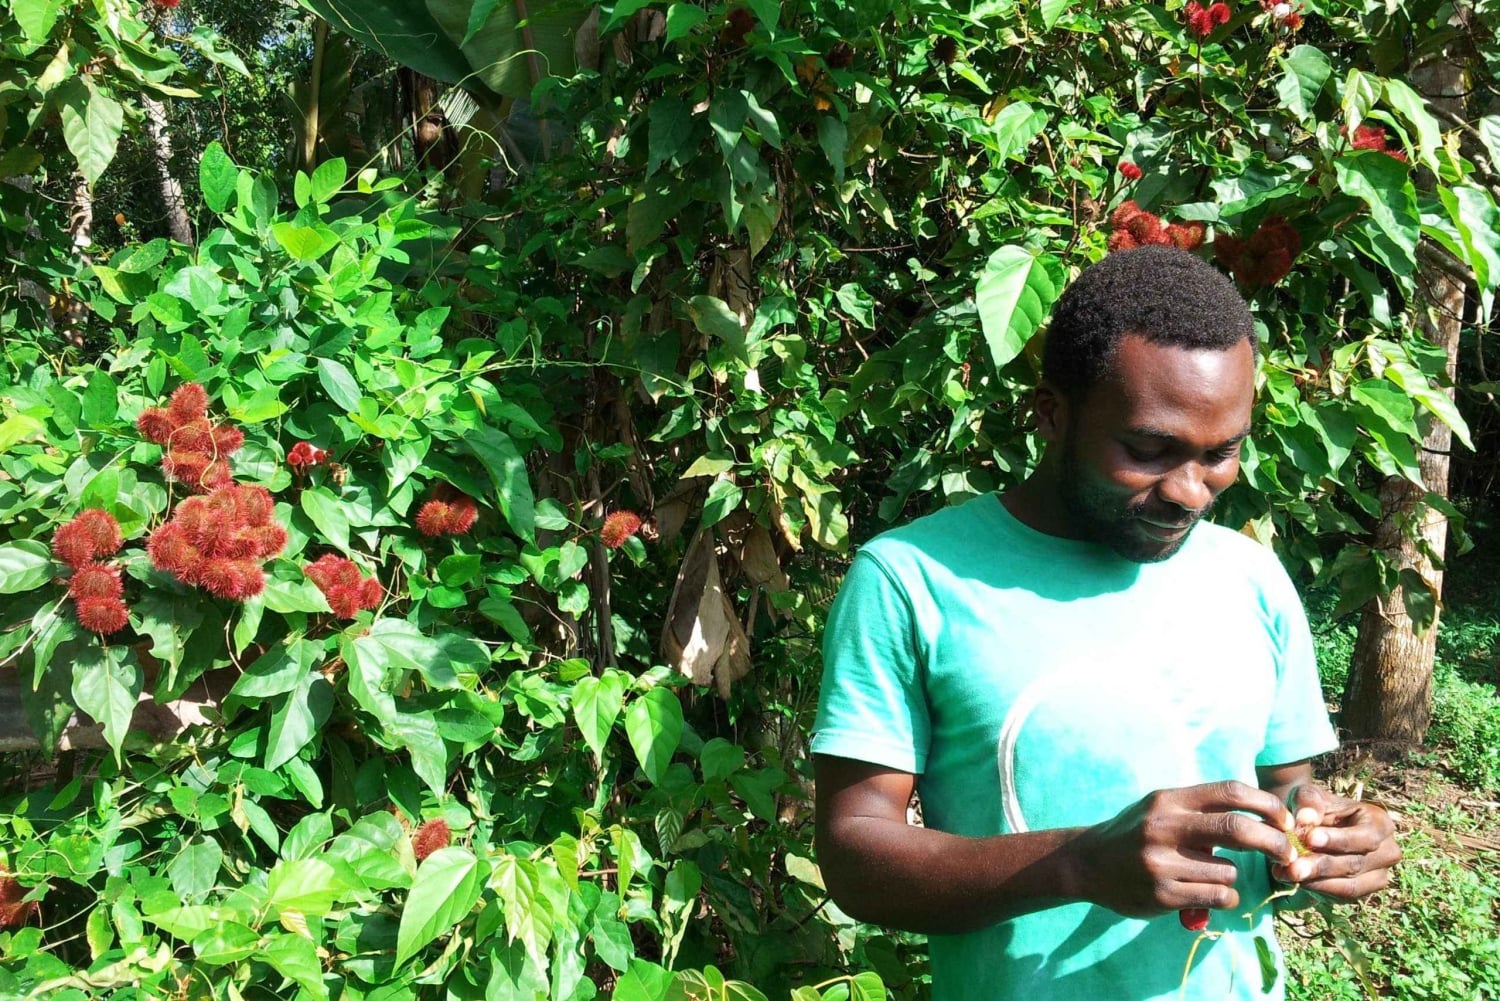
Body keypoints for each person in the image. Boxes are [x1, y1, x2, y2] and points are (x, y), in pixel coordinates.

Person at [811, 246, 1400, 1000]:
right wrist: (1080, 863)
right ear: (1052, 413)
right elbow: (854, 853)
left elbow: (1289, 791)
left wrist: (1334, 838)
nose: (1190, 491)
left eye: (1221, 453)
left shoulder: (1250, 578)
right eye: (1150, 450)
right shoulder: (913, 580)